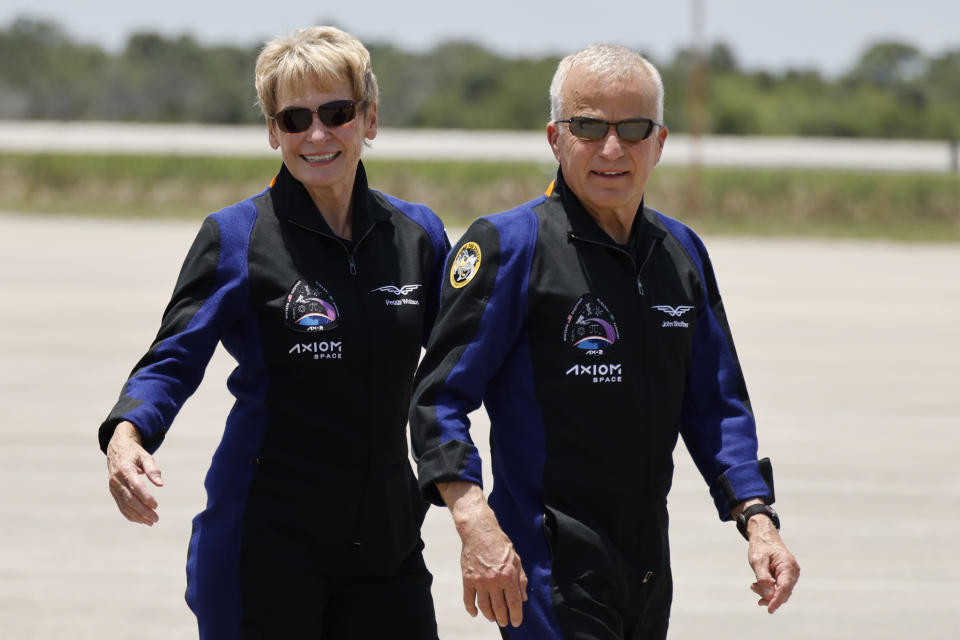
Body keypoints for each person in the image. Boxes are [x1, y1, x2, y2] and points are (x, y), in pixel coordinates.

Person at [409, 44, 800, 639]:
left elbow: (717, 406)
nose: (612, 149)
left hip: (646, 566)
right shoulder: (510, 247)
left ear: (660, 142)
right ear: (555, 138)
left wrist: (758, 519)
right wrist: (476, 523)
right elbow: (439, 401)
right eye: (588, 127)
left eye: (633, 128)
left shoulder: (681, 253)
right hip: (547, 566)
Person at [99, 26, 449, 639]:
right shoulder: (236, 236)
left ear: (369, 119)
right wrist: (127, 434)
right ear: (271, 131)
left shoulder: (417, 236)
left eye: (336, 113)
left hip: (387, 542)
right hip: (265, 542)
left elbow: (465, 362)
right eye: (294, 119)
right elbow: (172, 358)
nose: (316, 135)